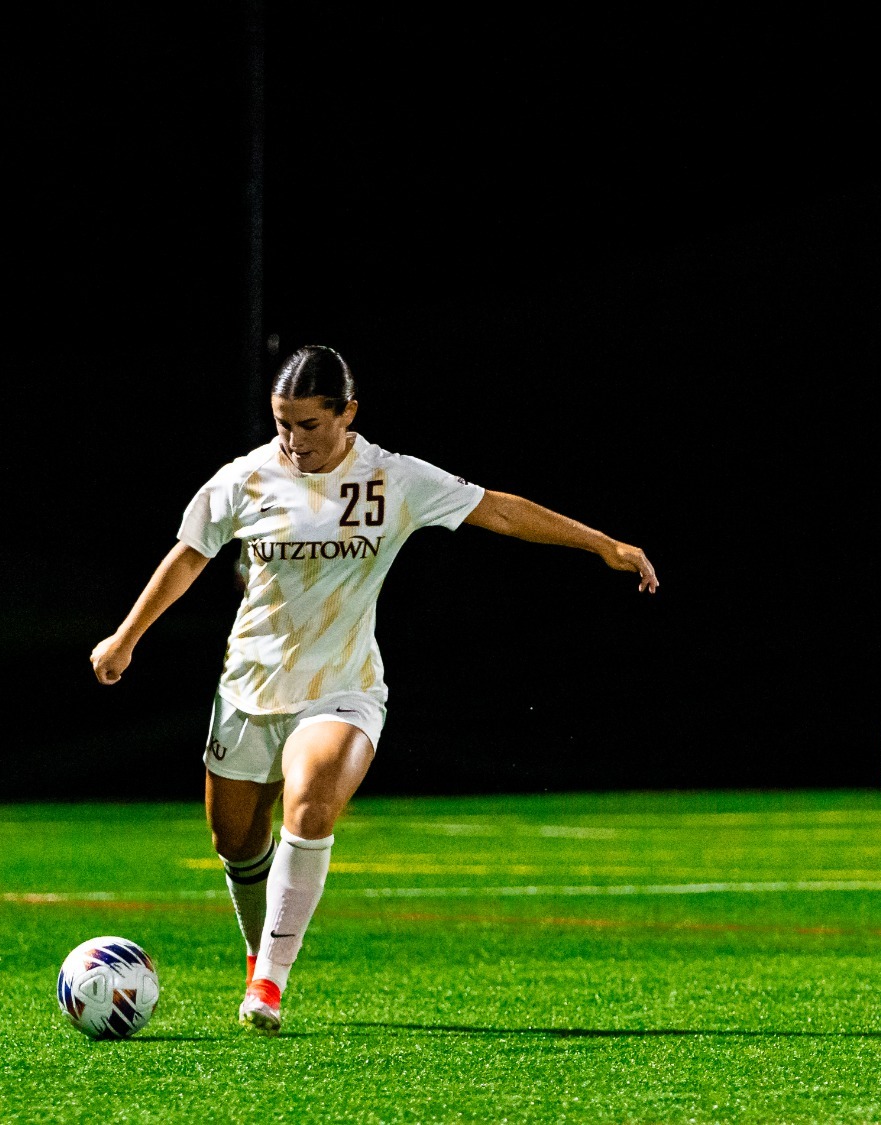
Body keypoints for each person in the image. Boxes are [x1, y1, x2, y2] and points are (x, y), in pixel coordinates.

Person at [90, 345, 659, 1033]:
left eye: (308, 424)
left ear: (347, 413)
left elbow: (498, 510)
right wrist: (127, 636)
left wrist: (601, 543)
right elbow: (189, 555)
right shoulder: (245, 479)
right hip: (249, 688)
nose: (293, 440)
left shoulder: (391, 480)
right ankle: (257, 953)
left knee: (311, 798)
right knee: (236, 840)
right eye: (282, 423)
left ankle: (268, 982)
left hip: (344, 688)